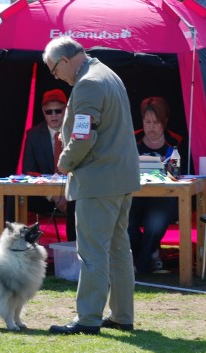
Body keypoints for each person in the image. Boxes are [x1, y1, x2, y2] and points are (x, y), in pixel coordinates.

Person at [42, 36, 140, 335]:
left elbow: (84, 136)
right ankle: (122, 315)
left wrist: (64, 163)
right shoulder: (107, 74)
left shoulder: (88, 84)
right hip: (121, 178)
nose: (56, 76)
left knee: (92, 252)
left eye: (54, 69)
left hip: (98, 181)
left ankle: (88, 319)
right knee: (119, 250)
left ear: (65, 60)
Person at [129, 96, 182, 274]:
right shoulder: (130, 139)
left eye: (155, 122)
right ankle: (150, 255)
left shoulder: (176, 142)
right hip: (134, 195)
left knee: (155, 223)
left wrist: (171, 169)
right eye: (147, 122)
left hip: (164, 197)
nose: (150, 127)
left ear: (164, 122)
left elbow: (183, 175)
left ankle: (142, 265)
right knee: (126, 222)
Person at [22, 89, 76, 241]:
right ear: (43, 111)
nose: (53, 115)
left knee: (76, 203)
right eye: (49, 111)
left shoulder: (78, 132)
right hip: (45, 194)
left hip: (74, 191)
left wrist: (66, 195)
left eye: (58, 111)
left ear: (66, 110)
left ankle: (74, 250)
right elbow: (30, 171)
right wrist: (53, 195)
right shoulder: (33, 135)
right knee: (15, 199)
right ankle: (15, 250)